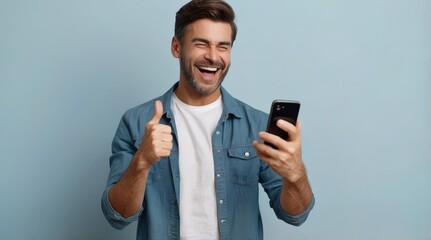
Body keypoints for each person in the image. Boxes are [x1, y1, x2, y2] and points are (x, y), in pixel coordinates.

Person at [101, 0, 315, 239]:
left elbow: (295, 215)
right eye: (201, 44)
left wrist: (296, 174)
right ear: (176, 47)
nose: (213, 57)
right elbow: (117, 215)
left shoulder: (257, 126)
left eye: (223, 46)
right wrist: (142, 162)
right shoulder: (136, 122)